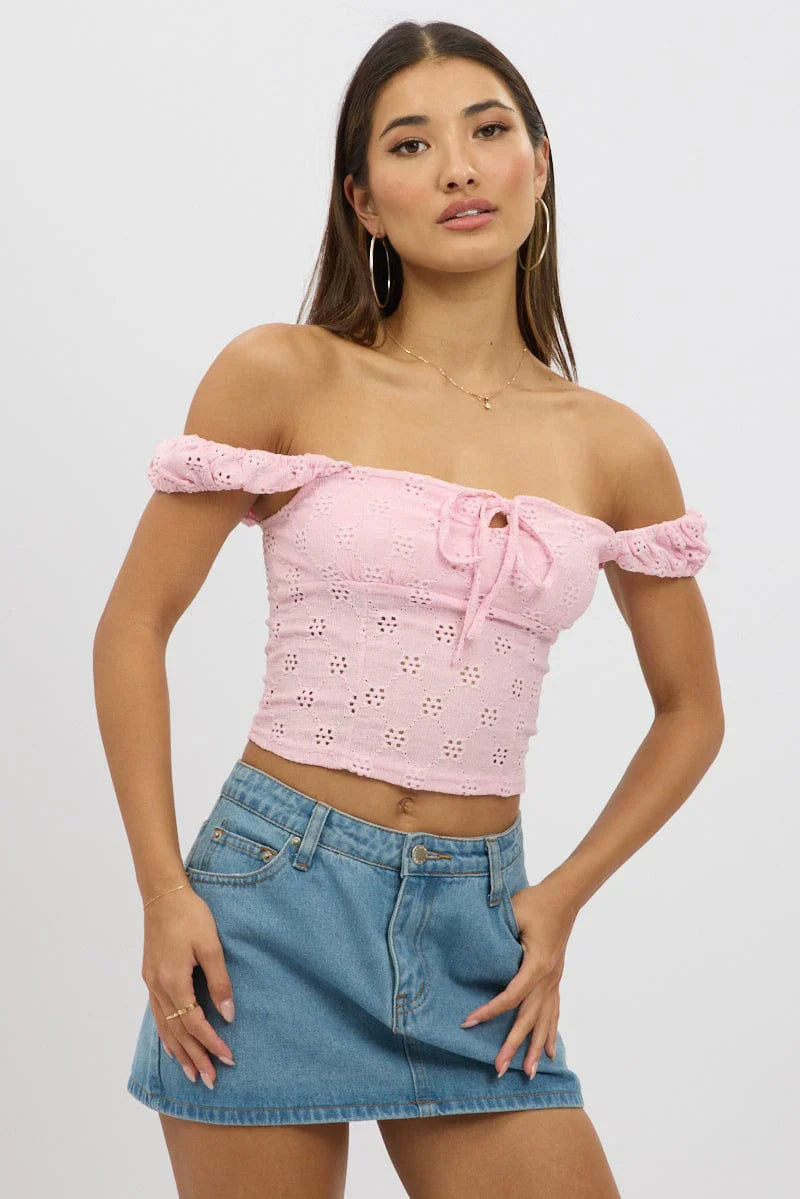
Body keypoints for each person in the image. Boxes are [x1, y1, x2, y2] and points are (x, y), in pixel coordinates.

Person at [93, 19, 723, 1199]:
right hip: (267, 909)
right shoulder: (285, 373)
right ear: (362, 201)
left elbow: (690, 709)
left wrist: (559, 897)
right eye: (409, 144)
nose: (457, 168)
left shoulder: (614, 446)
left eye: (487, 130)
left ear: (538, 161)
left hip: (477, 931)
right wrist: (163, 891)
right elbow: (133, 624)